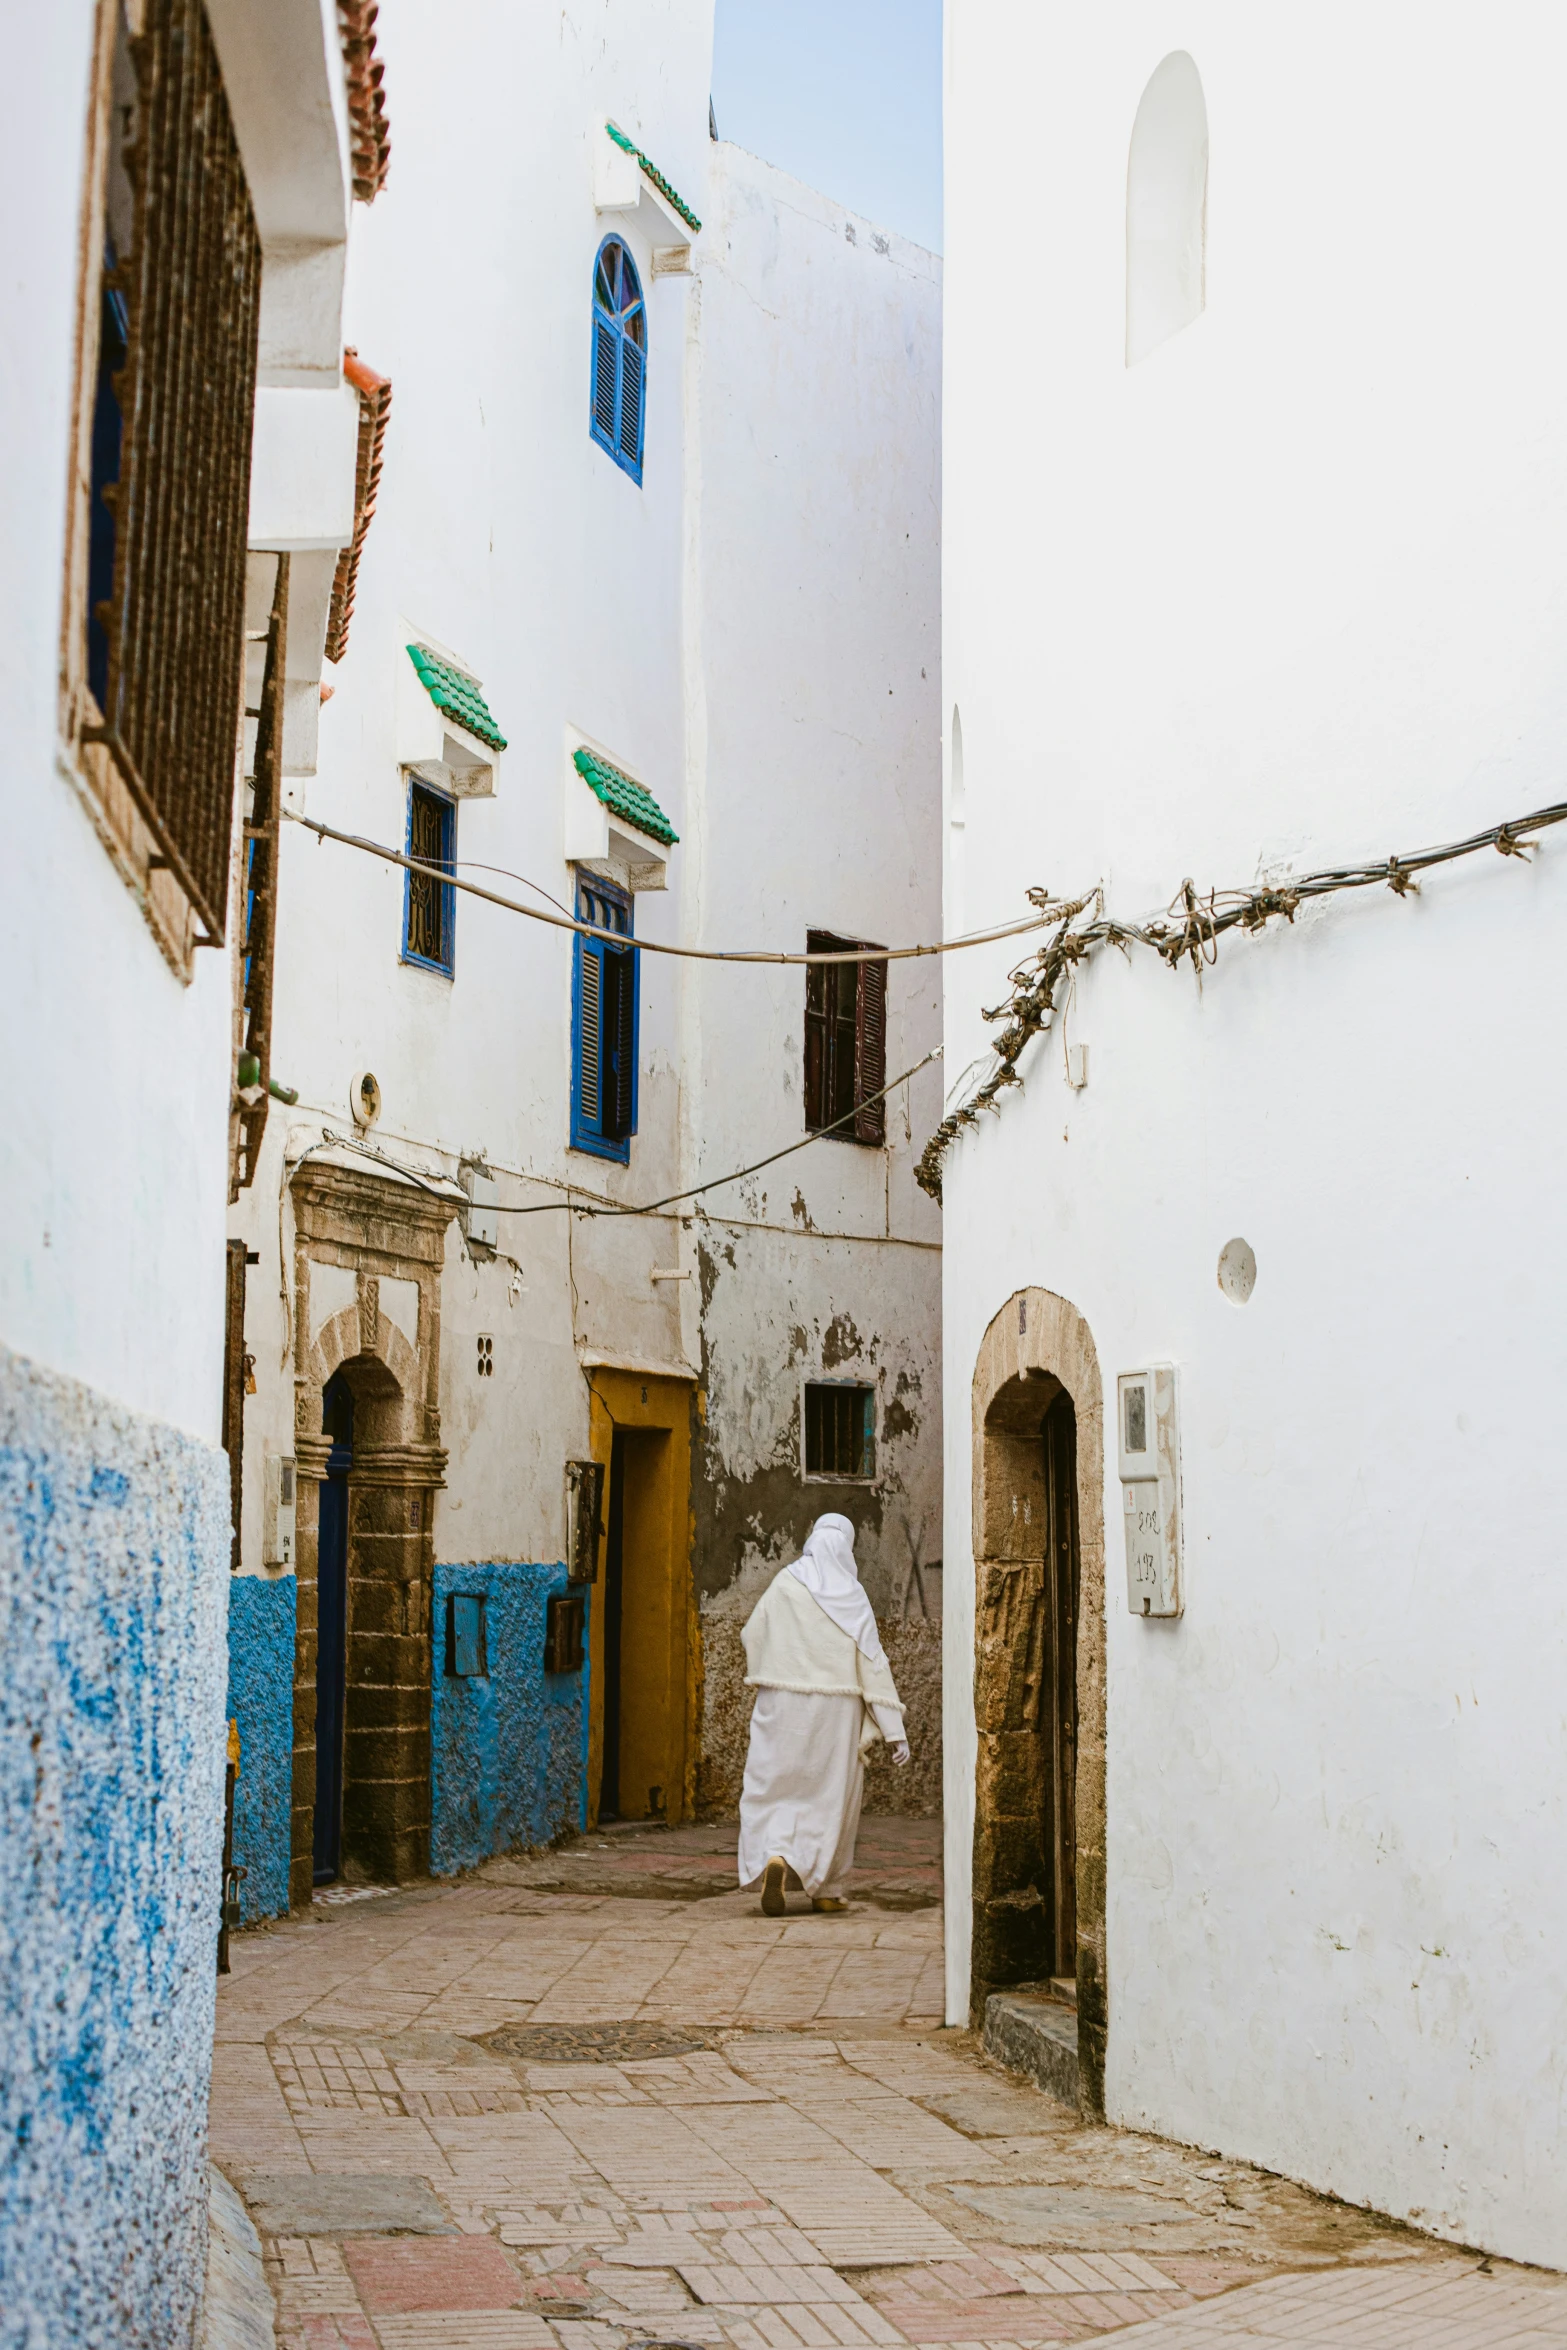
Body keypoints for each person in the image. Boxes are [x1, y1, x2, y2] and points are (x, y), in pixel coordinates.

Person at [737, 1512, 910, 1914]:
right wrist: (893, 1728)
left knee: (772, 1786)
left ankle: (774, 1853)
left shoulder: (784, 1585)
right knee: (830, 1796)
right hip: (837, 1712)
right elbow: (872, 1662)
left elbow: (752, 1634)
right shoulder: (853, 1596)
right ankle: (826, 1889)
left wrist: (776, 1669)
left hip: (781, 1703)